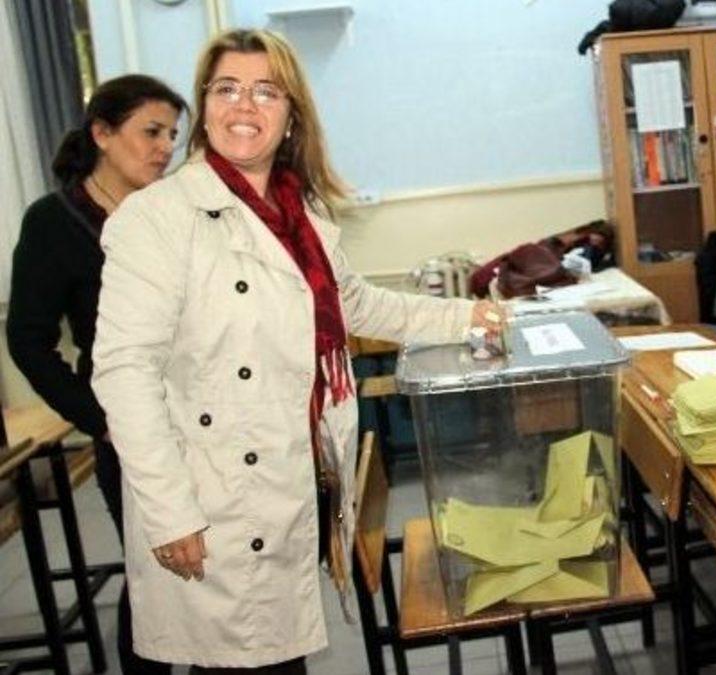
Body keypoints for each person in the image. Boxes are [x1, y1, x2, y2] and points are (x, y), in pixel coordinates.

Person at [90, 29, 500, 671]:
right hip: (214, 497)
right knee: (246, 659)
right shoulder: (157, 218)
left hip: (292, 476)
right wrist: (170, 513)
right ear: (205, 106)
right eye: (227, 89)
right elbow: (124, 373)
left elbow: (358, 304)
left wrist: (469, 316)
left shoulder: (297, 210)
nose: (243, 105)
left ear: (292, 116)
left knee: (277, 657)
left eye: (265, 91)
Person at [7, 74, 187, 675]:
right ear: (103, 134)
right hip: (130, 428)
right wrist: (102, 420)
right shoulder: (54, 222)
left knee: (213, 579)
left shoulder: (170, 211)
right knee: (159, 577)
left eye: (172, 135)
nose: (165, 148)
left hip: (198, 417)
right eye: (151, 132)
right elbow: (28, 340)